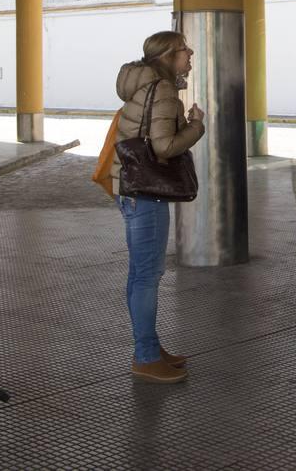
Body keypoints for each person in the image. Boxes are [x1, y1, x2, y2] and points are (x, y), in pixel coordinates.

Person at [112, 30, 205, 384]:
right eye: (184, 50)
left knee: (141, 274)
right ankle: (146, 356)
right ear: (168, 55)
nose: (190, 54)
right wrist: (196, 126)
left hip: (132, 189)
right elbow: (165, 147)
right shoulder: (164, 90)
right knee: (147, 277)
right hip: (146, 192)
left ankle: (150, 346)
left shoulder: (141, 83)